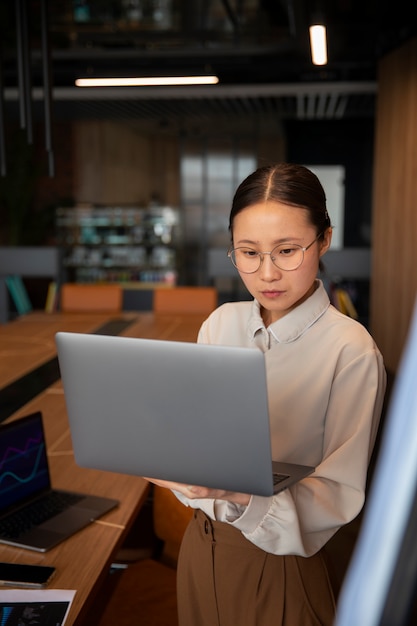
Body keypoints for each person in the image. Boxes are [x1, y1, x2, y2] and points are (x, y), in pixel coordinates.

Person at [147, 163, 386, 626]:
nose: (267, 273)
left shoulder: (351, 350)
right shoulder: (221, 324)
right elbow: (197, 446)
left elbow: (337, 498)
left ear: (324, 239)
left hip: (280, 566)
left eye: (288, 250)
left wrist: (233, 491)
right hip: (199, 550)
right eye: (248, 253)